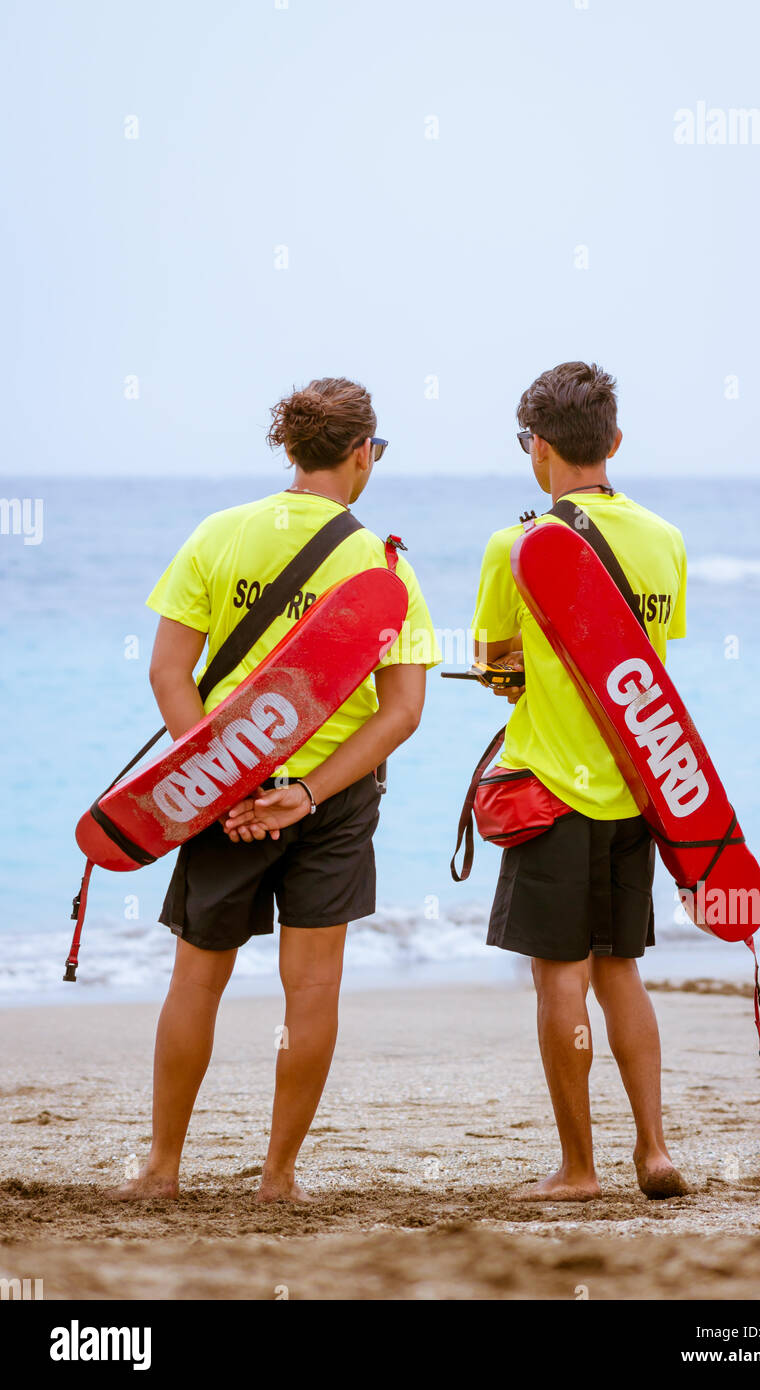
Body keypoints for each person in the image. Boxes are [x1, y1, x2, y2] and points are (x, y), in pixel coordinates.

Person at [112, 377, 439, 1204]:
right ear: (363, 453)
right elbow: (401, 714)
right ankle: (279, 1177)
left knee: (196, 980)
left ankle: (160, 1170)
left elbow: (167, 671)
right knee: (313, 988)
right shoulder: (382, 563)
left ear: (289, 451)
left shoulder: (219, 535)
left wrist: (219, 781)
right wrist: (308, 791)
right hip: (332, 800)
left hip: (221, 792)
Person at [470, 361, 689, 1201]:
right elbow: (647, 657)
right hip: (638, 787)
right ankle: (655, 1150)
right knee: (620, 970)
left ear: (536, 449)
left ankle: (579, 1169)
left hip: (549, 789)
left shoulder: (516, 543)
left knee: (560, 978)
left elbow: (496, 666)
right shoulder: (664, 538)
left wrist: (523, 679)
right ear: (615, 441)